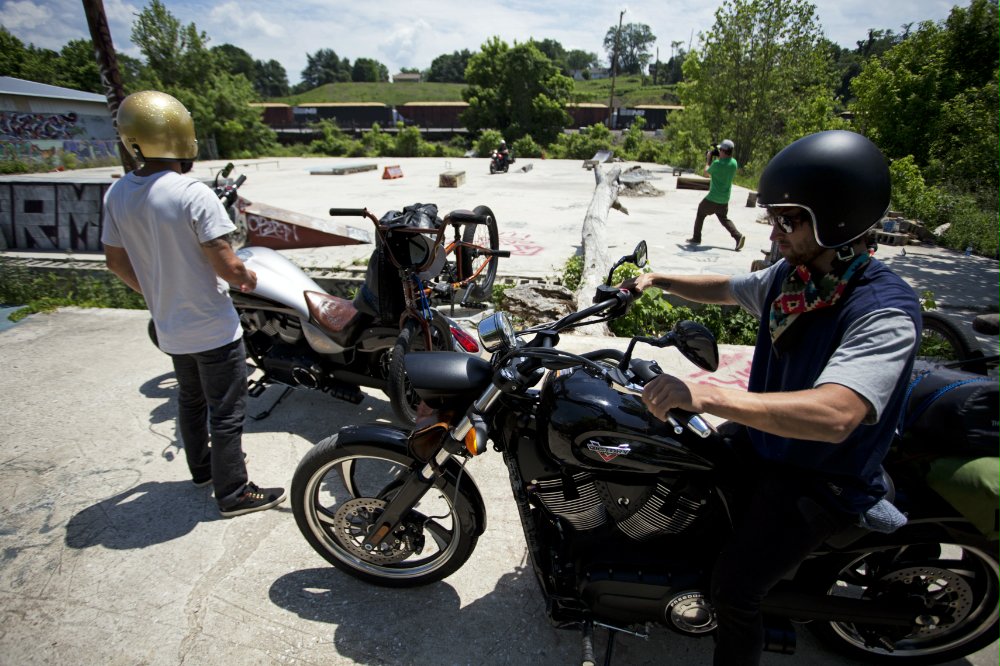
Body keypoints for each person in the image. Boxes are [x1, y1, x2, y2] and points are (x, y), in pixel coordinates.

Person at [623, 130, 921, 666]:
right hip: (771, 446)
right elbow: (730, 287)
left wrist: (709, 395)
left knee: (735, 592)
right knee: (681, 464)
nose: (775, 229)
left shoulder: (883, 311)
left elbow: (836, 415)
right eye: (772, 216)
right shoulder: (795, 279)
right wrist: (657, 277)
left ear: (839, 219)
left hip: (822, 477)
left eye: (790, 219)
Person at [101, 90, 285, 518]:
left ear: (133, 141)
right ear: (183, 138)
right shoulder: (192, 193)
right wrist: (247, 277)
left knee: (191, 399)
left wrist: (154, 291)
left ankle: (202, 471)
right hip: (213, 327)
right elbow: (226, 264)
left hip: (171, 325)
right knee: (226, 410)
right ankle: (234, 492)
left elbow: (115, 262)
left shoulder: (117, 194)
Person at [688, 138, 745, 251]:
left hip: (713, 198)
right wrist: (718, 154)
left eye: (720, 150)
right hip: (724, 199)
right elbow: (725, 162)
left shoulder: (716, 164)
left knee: (700, 212)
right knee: (724, 219)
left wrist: (708, 159)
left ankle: (696, 238)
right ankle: (738, 236)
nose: (719, 152)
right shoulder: (733, 163)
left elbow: (706, 173)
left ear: (723, 151)